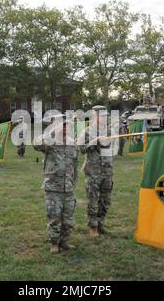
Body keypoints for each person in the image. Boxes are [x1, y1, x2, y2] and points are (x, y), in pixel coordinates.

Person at [34, 119, 78, 254]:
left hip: (68, 187)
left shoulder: (72, 142)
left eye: (67, 125)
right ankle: (54, 242)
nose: (65, 128)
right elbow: (36, 144)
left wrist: (74, 181)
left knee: (68, 217)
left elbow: (75, 163)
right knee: (54, 216)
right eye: (62, 125)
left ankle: (64, 241)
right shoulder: (50, 142)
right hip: (53, 186)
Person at [78, 105, 114, 238]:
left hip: (107, 170)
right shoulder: (86, 131)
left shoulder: (109, 131)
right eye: (102, 116)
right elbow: (80, 149)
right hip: (93, 171)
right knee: (93, 200)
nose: (105, 118)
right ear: (95, 116)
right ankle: (93, 226)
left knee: (105, 200)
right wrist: (94, 142)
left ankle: (101, 224)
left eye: (106, 116)